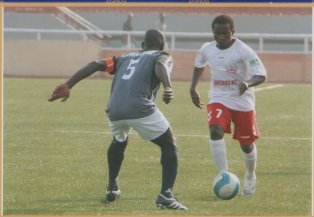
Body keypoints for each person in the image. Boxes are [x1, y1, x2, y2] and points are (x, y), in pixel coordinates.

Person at [48, 29, 187, 210]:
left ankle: (112, 188)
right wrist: (168, 87)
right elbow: (161, 65)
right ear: (162, 46)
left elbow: (95, 64)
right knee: (169, 145)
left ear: (142, 46)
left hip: (114, 109)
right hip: (139, 107)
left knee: (119, 140)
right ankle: (166, 195)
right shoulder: (162, 55)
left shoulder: (123, 58)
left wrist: (68, 84)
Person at [190, 15, 267, 196]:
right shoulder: (207, 49)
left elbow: (261, 74)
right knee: (215, 131)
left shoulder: (244, 50)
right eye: (218, 33)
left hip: (242, 100)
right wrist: (192, 88)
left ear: (233, 32)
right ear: (213, 32)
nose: (222, 37)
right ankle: (224, 175)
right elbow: (198, 64)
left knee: (246, 145)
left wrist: (248, 83)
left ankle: (250, 175)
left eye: (226, 33)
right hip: (219, 97)